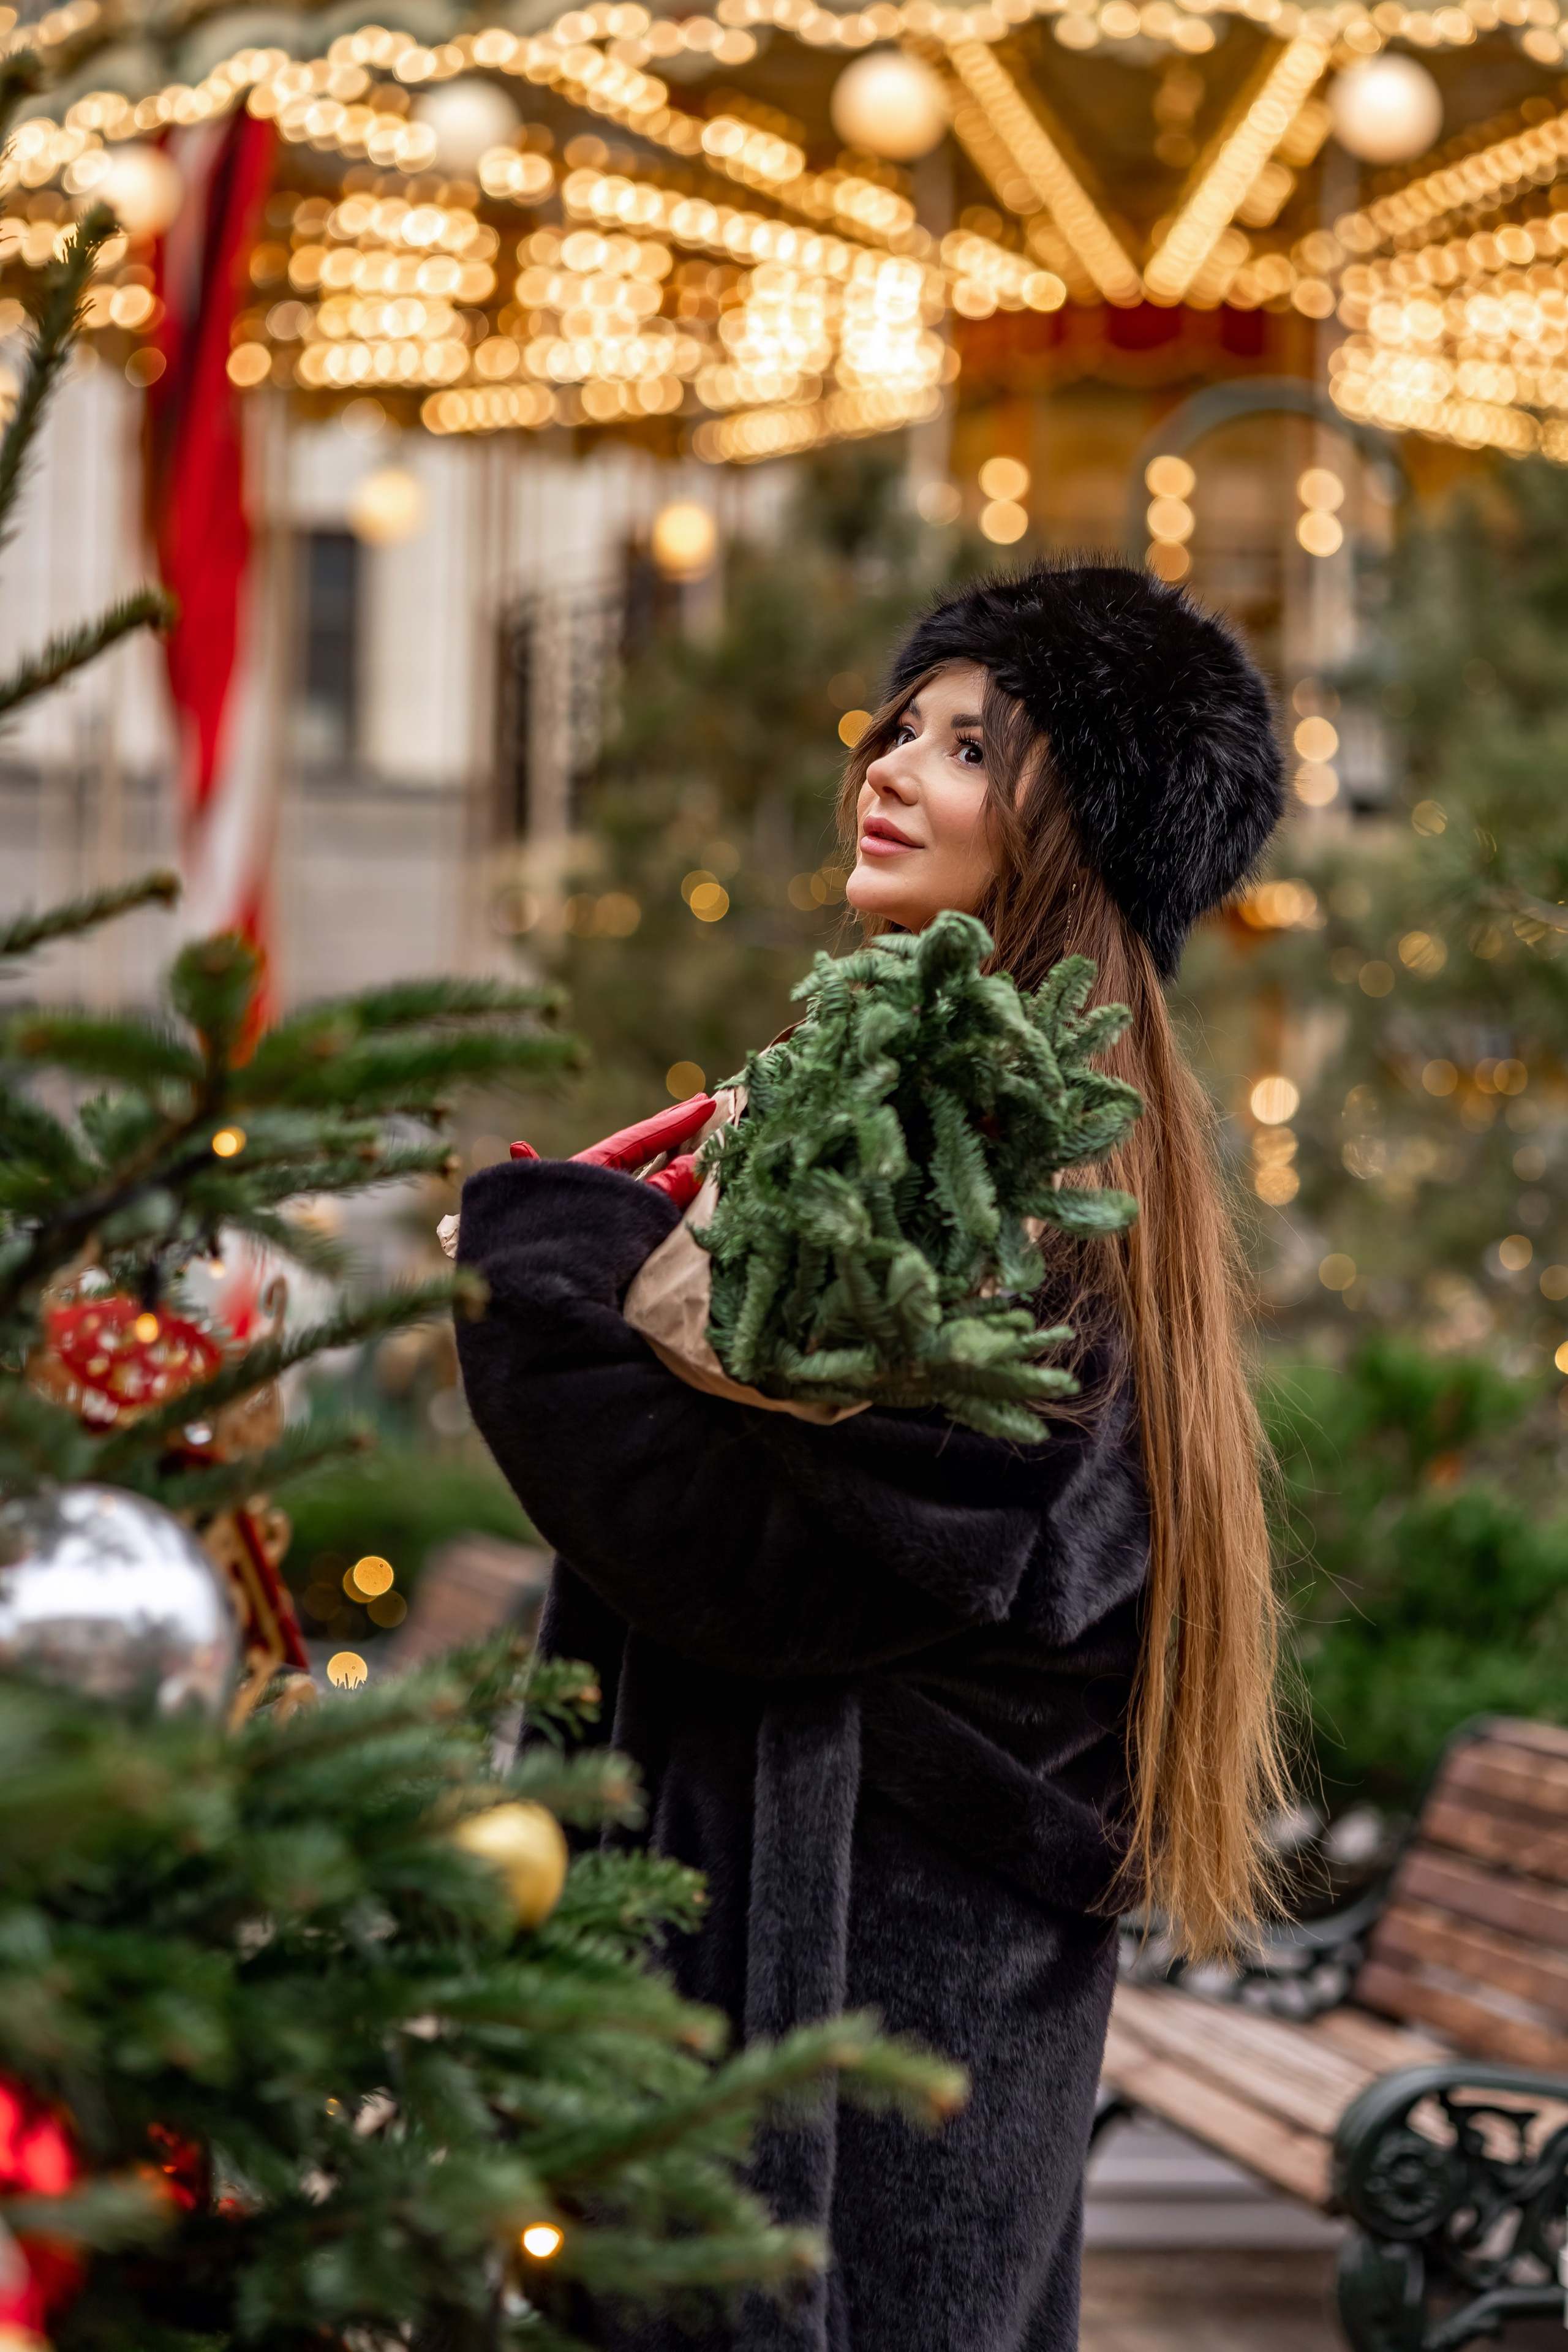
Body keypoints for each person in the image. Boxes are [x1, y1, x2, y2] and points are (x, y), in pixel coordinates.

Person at [454, 560, 1289, 2352]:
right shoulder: (929, 1111)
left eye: (972, 747)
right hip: (845, 1930)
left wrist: (544, 1286)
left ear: (1082, 831)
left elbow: (810, 1557)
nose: (889, 768)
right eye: (898, 727)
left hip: (874, 1966)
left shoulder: (1002, 1150)